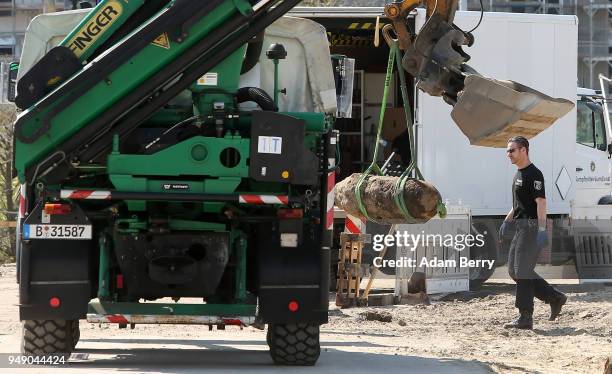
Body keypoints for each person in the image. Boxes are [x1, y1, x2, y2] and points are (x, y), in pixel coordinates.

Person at [499, 136, 567, 329]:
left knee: (521, 271)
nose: (508, 154)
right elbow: (519, 204)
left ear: (524, 150)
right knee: (515, 271)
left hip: (531, 229)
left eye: (512, 150)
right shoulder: (518, 174)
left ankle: (525, 317)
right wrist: (506, 220)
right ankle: (555, 297)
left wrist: (543, 229)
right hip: (520, 228)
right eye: (507, 150)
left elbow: (541, 203)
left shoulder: (534, 174)